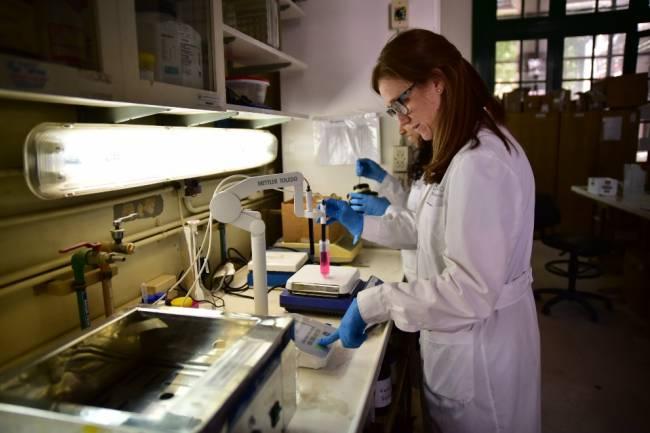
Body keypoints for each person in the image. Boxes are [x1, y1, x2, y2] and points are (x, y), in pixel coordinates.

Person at [320, 29, 540, 433]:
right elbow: (427, 230)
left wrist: (375, 302)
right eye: (393, 111)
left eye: (401, 103)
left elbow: (469, 291)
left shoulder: (479, 163)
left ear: (438, 81)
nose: (401, 122)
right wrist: (361, 221)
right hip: (468, 345)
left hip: (480, 358)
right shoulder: (462, 148)